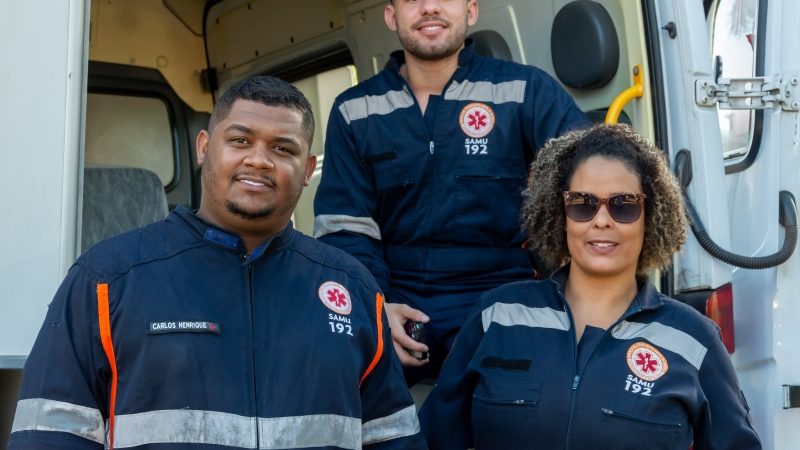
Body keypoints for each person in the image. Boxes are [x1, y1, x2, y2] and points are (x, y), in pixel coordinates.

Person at [9, 76, 426, 449]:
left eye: (283, 148)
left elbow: (391, 439)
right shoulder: (107, 278)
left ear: (308, 169)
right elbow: (49, 436)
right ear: (204, 148)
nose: (259, 160)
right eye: (240, 140)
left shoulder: (352, 287)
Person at [419, 124, 762, 449]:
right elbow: (430, 440)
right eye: (582, 204)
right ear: (560, 213)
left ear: (650, 216)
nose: (601, 220)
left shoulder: (694, 341)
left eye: (623, 205)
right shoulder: (497, 317)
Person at [313, 0, 589, 383]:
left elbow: (589, 176)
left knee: (520, 401)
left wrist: (562, 290)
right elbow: (346, 230)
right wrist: (375, 310)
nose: (429, 7)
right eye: (412, 0)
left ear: (471, 11)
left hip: (503, 294)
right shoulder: (355, 110)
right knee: (330, 373)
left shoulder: (524, 90)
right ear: (391, 16)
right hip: (397, 295)